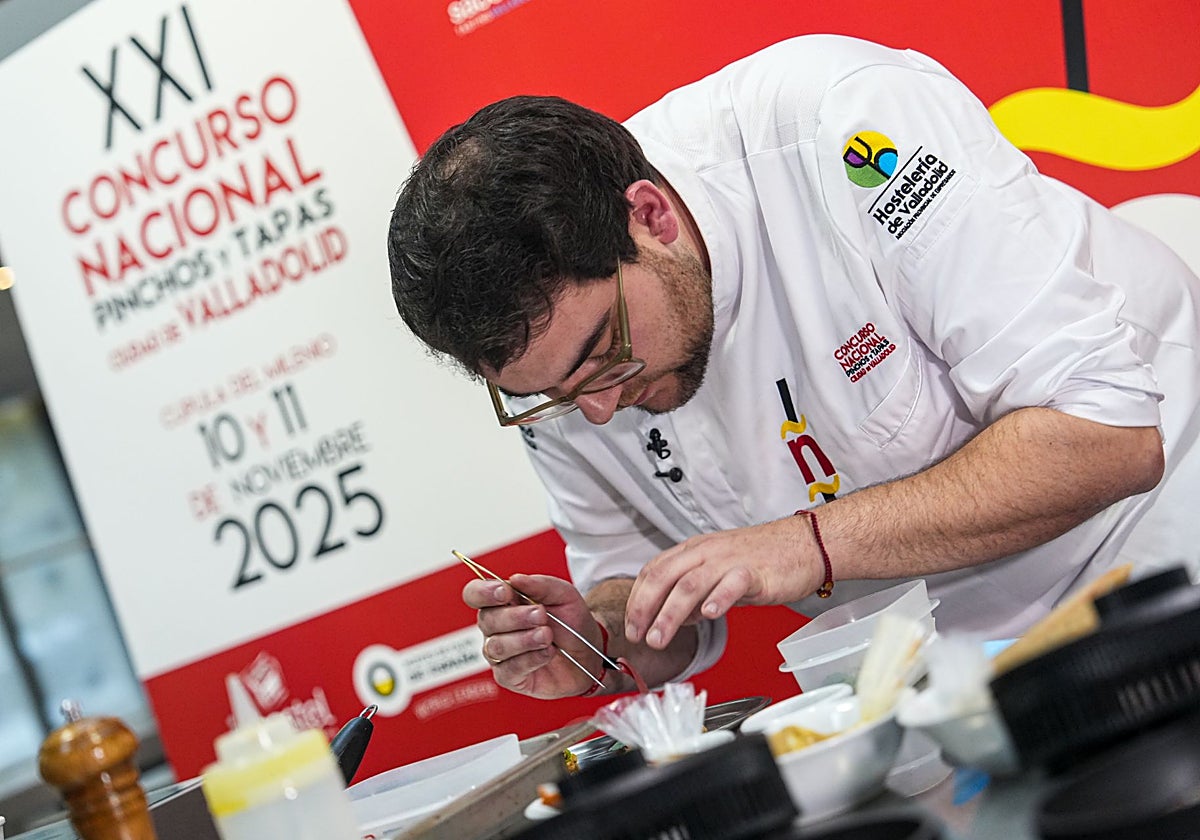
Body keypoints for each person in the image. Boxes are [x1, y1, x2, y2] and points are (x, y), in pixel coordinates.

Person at [387, 34, 1200, 699]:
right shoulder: (563, 365)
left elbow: (1108, 432)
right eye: (549, 400)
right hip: (934, 682)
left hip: (1157, 559)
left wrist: (805, 543)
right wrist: (597, 635)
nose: (599, 411)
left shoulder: (844, 126)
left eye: (605, 357)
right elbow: (644, 599)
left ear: (651, 216)